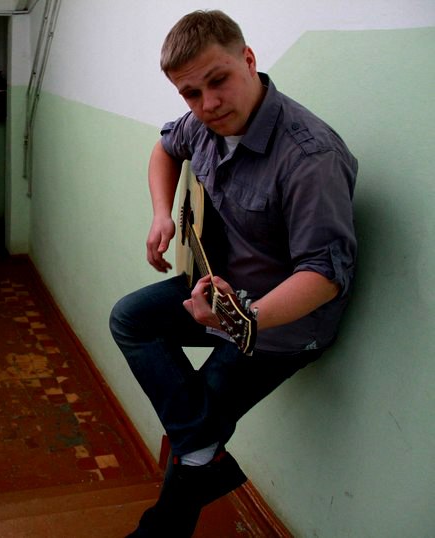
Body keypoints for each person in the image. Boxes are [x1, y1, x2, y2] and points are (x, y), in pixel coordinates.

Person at [109, 10, 357, 536]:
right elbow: (164, 148)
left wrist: (241, 321)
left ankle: (172, 507)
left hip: (282, 324)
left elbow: (324, 275)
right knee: (131, 320)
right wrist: (161, 213)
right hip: (219, 287)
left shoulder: (310, 155)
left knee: (196, 436)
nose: (208, 104)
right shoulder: (202, 124)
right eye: (191, 94)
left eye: (218, 81)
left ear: (248, 59)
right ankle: (203, 450)